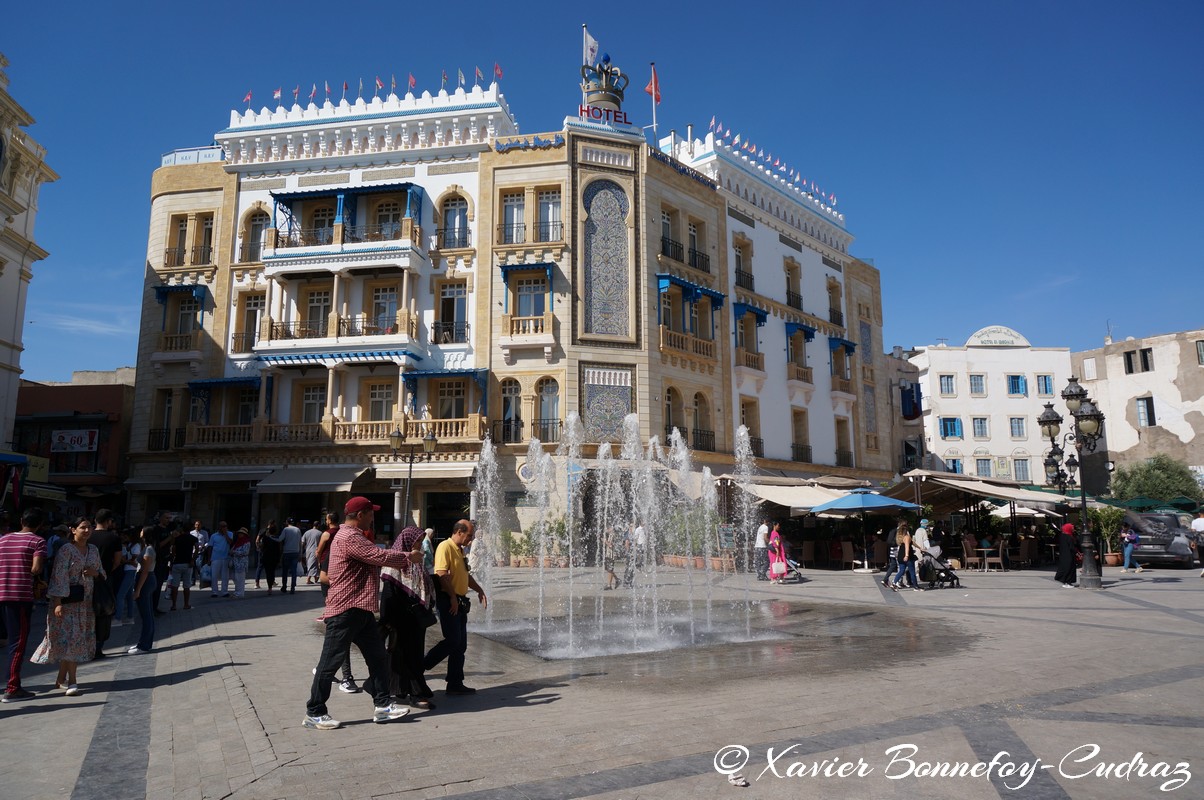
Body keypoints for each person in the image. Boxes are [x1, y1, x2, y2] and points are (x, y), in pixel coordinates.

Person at [303, 496, 410, 730]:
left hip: (360, 610)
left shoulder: (354, 537)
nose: (374, 517)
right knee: (329, 664)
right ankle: (315, 711)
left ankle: (382, 706)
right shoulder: (349, 537)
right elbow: (379, 557)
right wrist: (407, 557)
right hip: (344, 611)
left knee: (378, 658)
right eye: (371, 513)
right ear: (360, 515)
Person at [31, 517, 104, 694]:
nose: (87, 531)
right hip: (67, 602)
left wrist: (95, 573)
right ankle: (72, 681)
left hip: (86, 603)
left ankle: (60, 679)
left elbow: (102, 572)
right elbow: (58, 575)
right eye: (82, 527)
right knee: (72, 640)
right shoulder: (66, 550)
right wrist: (57, 602)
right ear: (73, 529)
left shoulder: (93, 549)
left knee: (75, 640)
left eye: (89, 527)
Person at [423, 519, 488, 696]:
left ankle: (455, 683)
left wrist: (480, 590)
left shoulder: (461, 550)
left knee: (460, 645)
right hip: (448, 601)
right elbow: (441, 574)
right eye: (469, 535)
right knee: (452, 640)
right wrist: (452, 596)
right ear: (459, 532)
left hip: (459, 601)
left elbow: (466, 575)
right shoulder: (446, 546)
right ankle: (420, 666)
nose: (471, 539)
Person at [377, 525, 437, 709]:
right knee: (404, 656)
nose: (419, 545)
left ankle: (399, 689)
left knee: (413, 655)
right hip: (400, 620)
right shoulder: (394, 564)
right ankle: (415, 693)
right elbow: (388, 595)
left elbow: (423, 586)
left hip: (416, 619)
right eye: (416, 541)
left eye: (420, 541)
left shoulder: (417, 561)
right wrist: (387, 622)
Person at [0, 507, 47, 702]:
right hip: (19, 597)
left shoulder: (3, 539)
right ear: (40, 525)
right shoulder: (37, 541)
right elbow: (36, 568)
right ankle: (12, 688)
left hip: (1, 593)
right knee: (17, 643)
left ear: (21, 521)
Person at [89, 508, 122, 658]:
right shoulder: (113, 538)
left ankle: (85, 645)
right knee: (103, 612)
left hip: (86, 578)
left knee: (86, 611)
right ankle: (97, 647)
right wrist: (107, 571)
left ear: (95, 521)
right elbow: (117, 561)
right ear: (109, 521)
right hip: (105, 578)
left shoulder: (87, 536)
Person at [129, 525, 158, 654]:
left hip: (145, 580)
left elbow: (145, 571)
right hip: (145, 578)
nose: (140, 532)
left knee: (146, 614)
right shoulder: (147, 548)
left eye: (142, 530)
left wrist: (138, 590)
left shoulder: (149, 550)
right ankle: (144, 642)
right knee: (147, 613)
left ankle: (144, 645)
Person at [114, 527, 141, 626]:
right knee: (129, 596)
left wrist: (126, 561)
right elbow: (126, 560)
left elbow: (133, 561)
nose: (124, 537)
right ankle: (130, 617)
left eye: (126, 536)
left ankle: (118, 618)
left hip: (131, 571)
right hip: (127, 569)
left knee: (120, 595)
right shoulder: (128, 545)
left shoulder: (136, 546)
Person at [167, 523, 196, 610]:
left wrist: (171, 562)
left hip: (177, 563)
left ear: (182, 530)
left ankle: (174, 605)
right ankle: (186, 604)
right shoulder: (193, 538)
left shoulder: (177, 539)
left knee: (175, 586)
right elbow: (197, 548)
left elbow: (173, 550)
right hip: (188, 563)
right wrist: (192, 559)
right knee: (186, 586)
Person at [890, 524, 923, 592]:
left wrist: (919, 547)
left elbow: (912, 542)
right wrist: (907, 555)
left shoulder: (900, 538)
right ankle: (915, 586)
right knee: (912, 572)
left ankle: (894, 583)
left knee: (901, 570)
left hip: (900, 556)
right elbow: (907, 546)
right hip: (907, 556)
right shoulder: (907, 537)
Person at [208, 521, 233, 598]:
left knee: (225, 576)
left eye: (225, 526)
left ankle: (224, 591)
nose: (224, 528)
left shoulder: (230, 534)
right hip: (215, 558)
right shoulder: (214, 536)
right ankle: (214, 591)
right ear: (219, 527)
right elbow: (210, 547)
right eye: (222, 526)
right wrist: (209, 558)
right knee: (214, 576)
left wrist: (225, 534)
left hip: (226, 558)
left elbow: (230, 542)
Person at [279, 518, 302, 594]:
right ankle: (292, 588)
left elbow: (280, 539)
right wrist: (300, 553)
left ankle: (284, 587)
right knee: (294, 571)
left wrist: (271, 537)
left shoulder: (285, 529)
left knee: (285, 571)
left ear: (287, 522)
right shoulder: (298, 530)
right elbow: (300, 542)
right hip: (295, 552)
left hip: (287, 552)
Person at [1055, 522, 1081, 588]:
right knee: (1070, 568)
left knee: (1065, 568)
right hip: (1069, 555)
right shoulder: (1069, 537)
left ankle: (1065, 582)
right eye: (1072, 528)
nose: (1073, 529)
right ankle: (1068, 582)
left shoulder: (1062, 536)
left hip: (1063, 555)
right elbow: (1072, 547)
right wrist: (1077, 553)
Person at [258, 521, 281, 595]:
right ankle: (271, 585)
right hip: (275, 558)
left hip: (266, 557)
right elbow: (279, 549)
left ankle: (270, 587)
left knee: (268, 573)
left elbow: (262, 547)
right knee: (272, 571)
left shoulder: (265, 538)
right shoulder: (278, 539)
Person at [230, 527, 252, 598]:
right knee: (235, 577)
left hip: (242, 563)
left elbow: (245, 552)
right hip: (236, 563)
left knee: (240, 579)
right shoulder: (238, 542)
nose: (240, 535)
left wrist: (235, 552)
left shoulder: (246, 542)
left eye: (241, 533)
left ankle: (240, 593)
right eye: (239, 533)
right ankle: (237, 592)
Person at [881, 523, 900, 588]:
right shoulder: (898, 531)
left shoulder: (892, 531)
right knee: (901, 566)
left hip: (892, 551)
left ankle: (885, 579)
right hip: (897, 550)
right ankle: (896, 582)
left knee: (893, 565)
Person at [1191, 511, 1204, 578]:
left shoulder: (1194, 521)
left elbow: (1193, 532)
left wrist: (1193, 542)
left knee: (1201, 556)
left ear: (1199, 513)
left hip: (1200, 540)